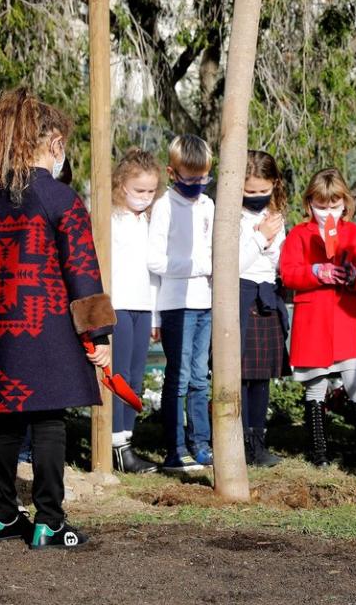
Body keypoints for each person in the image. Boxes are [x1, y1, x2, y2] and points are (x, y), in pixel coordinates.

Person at [0, 88, 114, 550]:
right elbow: (82, 271)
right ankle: (49, 521)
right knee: (49, 422)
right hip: (47, 330)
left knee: (7, 423)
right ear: (53, 144)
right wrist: (99, 333)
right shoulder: (62, 198)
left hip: (2, 332)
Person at [279, 168, 356, 467]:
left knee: (354, 378)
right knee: (315, 381)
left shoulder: (354, 233)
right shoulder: (298, 233)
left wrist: (354, 275)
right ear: (310, 204)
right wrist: (315, 272)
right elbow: (288, 273)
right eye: (322, 206)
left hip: (345, 317)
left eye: (334, 206)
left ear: (345, 203)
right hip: (313, 317)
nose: (328, 212)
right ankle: (319, 449)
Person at [147, 134, 215, 472]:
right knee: (180, 375)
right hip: (177, 304)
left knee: (201, 376)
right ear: (172, 173)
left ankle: (200, 442)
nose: (198, 185)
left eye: (204, 178)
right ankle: (175, 447)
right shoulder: (163, 207)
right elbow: (155, 261)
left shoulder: (208, 205)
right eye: (190, 179)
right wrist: (199, 267)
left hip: (206, 303)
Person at [110, 147, 162, 473]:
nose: (145, 197)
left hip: (143, 305)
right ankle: (116, 443)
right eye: (139, 190)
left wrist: (155, 315)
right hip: (117, 305)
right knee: (119, 377)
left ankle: (129, 437)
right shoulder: (110, 220)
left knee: (137, 377)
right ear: (121, 185)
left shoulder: (152, 222)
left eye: (151, 191)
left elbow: (155, 273)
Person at [238, 150, 289, 467]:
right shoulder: (231, 217)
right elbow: (234, 263)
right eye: (250, 192)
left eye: (262, 191)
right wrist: (260, 238)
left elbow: (276, 263)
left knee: (262, 377)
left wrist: (270, 240)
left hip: (267, 297)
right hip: (240, 294)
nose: (257, 197)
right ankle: (238, 442)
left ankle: (258, 443)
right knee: (239, 376)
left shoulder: (275, 215)